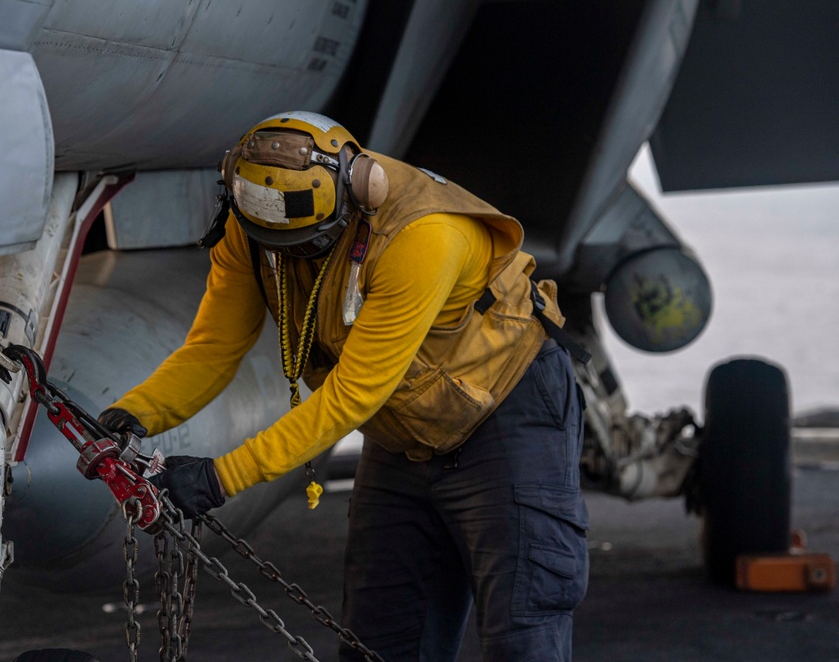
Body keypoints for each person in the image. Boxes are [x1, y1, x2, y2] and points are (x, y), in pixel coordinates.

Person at [99, 111, 590, 661]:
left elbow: (353, 393)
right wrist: (134, 413)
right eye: (278, 247)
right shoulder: (256, 223)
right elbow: (214, 347)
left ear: (358, 191)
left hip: (504, 414)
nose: (292, 258)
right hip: (403, 431)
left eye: (311, 246)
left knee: (522, 634)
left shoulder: (422, 235)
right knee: (379, 642)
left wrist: (219, 478)